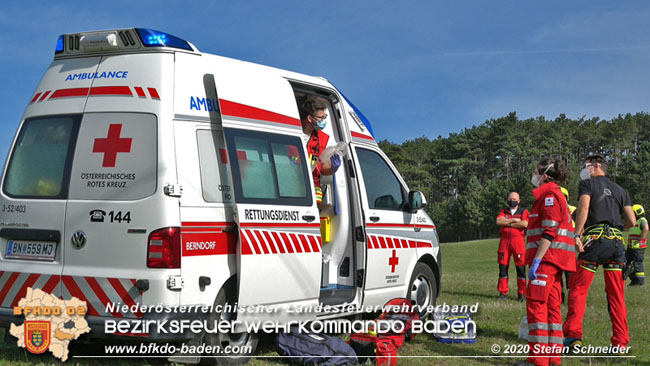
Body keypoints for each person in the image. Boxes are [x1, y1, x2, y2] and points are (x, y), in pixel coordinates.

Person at [563, 154, 636, 351]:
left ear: (596, 166)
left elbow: (584, 208)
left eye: (586, 166)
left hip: (594, 242)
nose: (584, 170)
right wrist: (617, 226)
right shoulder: (621, 190)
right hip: (616, 244)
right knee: (616, 295)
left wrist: (576, 235)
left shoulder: (588, 184)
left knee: (578, 290)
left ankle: (573, 338)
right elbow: (632, 221)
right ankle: (620, 344)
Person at [514, 159, 575, 366]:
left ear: (545, 176)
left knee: (536, 308)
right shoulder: (554, 195)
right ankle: (553, 359)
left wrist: (538, 259)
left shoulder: (549, 196)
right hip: (555, 262)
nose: (533, 175)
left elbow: (549, 230)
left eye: (536, 172)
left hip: (547, 261)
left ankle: (537, 360)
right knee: (552, 310)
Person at [298, 96, 341, 204]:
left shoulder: (321, 139)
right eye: (321, 118)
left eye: (324, 116)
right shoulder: (292, 132)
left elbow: (322, 168)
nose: (323, 121)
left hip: (312, 195)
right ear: (309, 119)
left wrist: (333, 168)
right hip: (293, 188)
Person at [496, 192, 529, 301]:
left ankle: (522, 293)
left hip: (518, 242)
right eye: (510, 198)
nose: (512, 200)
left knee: (521, 268)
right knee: (503, 267)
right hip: (504, 242)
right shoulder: (503, 211)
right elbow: (499, 221)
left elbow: (524, 224)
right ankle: (503, 292)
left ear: (519, 201)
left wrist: (507, 223)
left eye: (514, 198)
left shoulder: (523, 211)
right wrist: (514, 221)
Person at [559, 187, 576, 304]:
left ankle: (572, 297)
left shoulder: (574, 210)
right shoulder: (553, 209)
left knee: (570, 274)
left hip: (570, 247)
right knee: (557, 274)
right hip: (557, 247)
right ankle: (559, 297)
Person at [625, 204, 647, 286]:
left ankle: (640, 282)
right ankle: (633, 281)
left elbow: (646, 229)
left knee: (638, 264)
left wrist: (640, 239)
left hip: (638, 248)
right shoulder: (634, 221)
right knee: (627, 262)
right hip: (631, 246)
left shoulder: (642, 220)